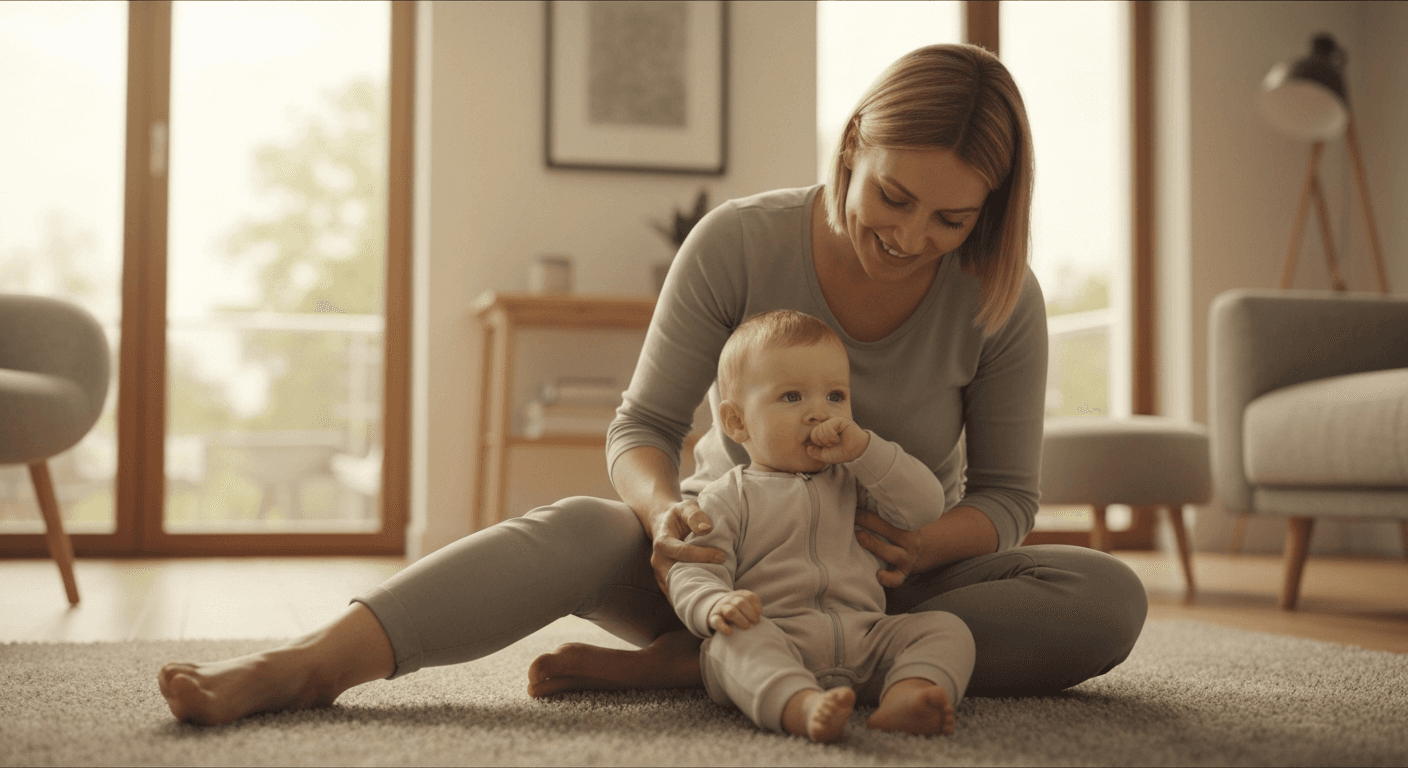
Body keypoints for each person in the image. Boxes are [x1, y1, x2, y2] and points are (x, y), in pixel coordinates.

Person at [157, 43, 1148, 728]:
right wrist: (665, 511)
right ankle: (312, 663)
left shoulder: (999, 298)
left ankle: (720, 673)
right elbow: (642, 426)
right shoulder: (738, 242)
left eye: (950, 220)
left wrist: (928, 542)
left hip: (889, 593)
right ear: (852, 146)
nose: (909, 236)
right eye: (893, 195)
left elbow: (1009, 501)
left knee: (1105, 596)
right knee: (586, 526)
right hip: (721, 573)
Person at [670, 308, 973, 743]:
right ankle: (801, 706)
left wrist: (867, 450)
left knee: (945, 628)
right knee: (729, 644)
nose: (818, 413)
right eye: (792, 397)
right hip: (777, 639)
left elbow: (926, 506)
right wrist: (713, 604)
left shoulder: (857, 481)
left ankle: (909, 695)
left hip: (866, 640)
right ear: (736, 422)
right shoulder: (726, 497)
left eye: (835, 396)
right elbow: (693, 566)